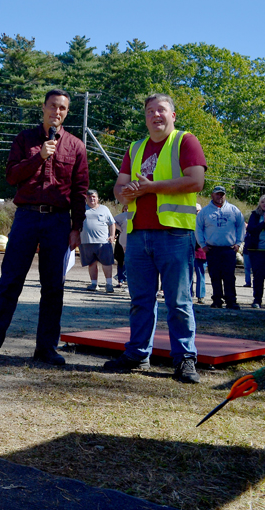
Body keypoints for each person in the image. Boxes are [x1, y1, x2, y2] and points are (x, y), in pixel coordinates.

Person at [0, 89, 88, 366]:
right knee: (10, 281)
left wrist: (77, 227)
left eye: (63, 108)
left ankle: (46, 349)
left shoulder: (76, 146)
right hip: (27, 217)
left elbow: (80, 190)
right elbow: (11, 176)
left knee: (53, 287)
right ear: (43, 108)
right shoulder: (24, 140)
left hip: (58, 221)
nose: (57, 112)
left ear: (67, 113)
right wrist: (40, 156)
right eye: (53, 106)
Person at [104, 93, 205, 384]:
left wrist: (150, 188)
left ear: (173, 115)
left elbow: (196, 181)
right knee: (140, 300)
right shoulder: (135, 148)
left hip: (174, 233)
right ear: (145, 117)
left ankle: (185, 359)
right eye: (150, 111)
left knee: (179, 301)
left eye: (161, 110)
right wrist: (126, 192)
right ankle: (137, 354)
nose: (156, 115)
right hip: (137, 235)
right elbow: (119, 188)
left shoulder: (185, 141)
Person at [196, 186, 245, 310]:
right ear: (212, 195)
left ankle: (231, 301)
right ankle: (217, 300)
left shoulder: (234, 210)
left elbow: (241, 227)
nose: (220, 197)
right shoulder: (205, 212)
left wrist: (238, 243)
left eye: (222, 194)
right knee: (215, 275)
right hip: (212, 249)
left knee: (229, 276)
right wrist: (203, 245)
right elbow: (198, 229)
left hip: (229, 249)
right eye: (217, 194)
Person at [80, 190, 116, 292]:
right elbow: (75, 222)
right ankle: (94, 284)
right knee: (91, 263)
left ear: (97, 198)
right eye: (89, 197)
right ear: (86, 198)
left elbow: (112, 223)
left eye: (94, 197)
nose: (92, 199)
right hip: (86, 242)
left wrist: (112, 235)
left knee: (106, 263)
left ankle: (109, 284)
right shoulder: (81, 209)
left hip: (103, 242)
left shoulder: (104, 209)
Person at [244, 194, 265, 308]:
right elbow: (251, 229)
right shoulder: (255, 215)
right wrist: (263, 223)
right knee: (258, 276)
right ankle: (257, 300)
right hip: (257, 251)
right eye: (262, 202)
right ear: (259, 203)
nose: (264, 204)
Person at [193, 204, 208, 304]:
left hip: (200, 253)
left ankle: (201, 296)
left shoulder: (204, 223)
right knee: (187, 275)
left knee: (201, 275)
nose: (197, 212)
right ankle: (188, 294)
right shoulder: (189, 222)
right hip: (189, 252)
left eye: (198, 210)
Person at [113, 205, 129, 288]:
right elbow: (112, 221)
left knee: (129, 261)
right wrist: (119, 229)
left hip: (131, 241)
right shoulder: (122, 217)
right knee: (120, 260)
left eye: (128, 208)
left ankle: (126, 279)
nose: (127, 210)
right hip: (121, 241)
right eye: (125, 208)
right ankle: (120, 280)